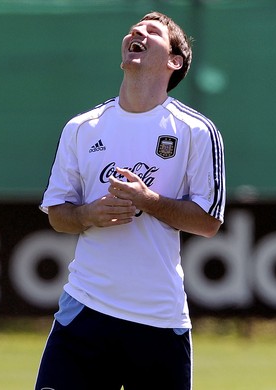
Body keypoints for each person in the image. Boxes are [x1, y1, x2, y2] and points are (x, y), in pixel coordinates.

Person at [35, 10, 226, 390]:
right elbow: (58, 214)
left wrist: (148, 200)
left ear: (174, 61)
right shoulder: (82, 127)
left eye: (151, 32)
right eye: (133, 29)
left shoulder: (196, 131)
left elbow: (208, 222)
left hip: (158, 321)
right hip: (84, 314)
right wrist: (89, 213)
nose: (136, 32)